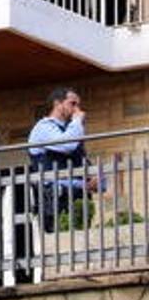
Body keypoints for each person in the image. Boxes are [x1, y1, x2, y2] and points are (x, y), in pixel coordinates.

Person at [28, 87, 98, 232]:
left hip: (78, 203)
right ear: (57, 104)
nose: (77, 109)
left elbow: (83, 161)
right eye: (72, 104)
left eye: (78, 105)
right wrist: (77, 121)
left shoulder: (71, 130)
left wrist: (95, 180)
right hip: (55, 202)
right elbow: (66, 145)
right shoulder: (44, 127)